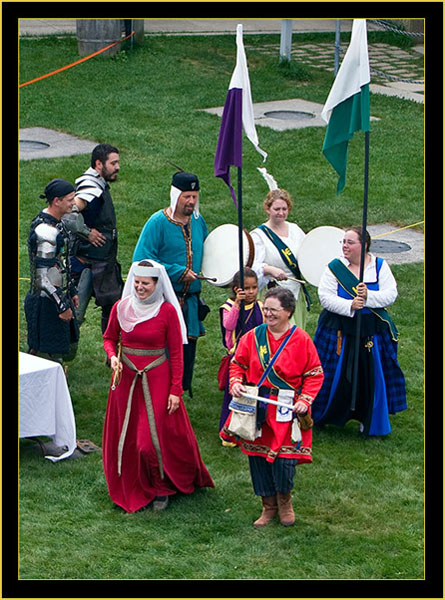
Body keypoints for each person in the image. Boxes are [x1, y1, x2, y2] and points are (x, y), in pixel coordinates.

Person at [102, 259, 214, 514]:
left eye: (146, 284)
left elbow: (176, 353)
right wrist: (113, 357)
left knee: (149, 441)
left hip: (156, 378)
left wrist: (176, 390)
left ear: (157, 284)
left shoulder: (167, 312)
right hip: (126, 378)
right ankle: (134, 483)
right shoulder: (121, 307)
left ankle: (161, 486)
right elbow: (110, 338)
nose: (140, 288)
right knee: (129, 437)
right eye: (137, 283)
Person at [220, 287, 324, 528]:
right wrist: (235, 382)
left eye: (273, 310)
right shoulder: (253, 337)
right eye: (265, 309)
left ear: (288, 312)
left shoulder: (302, 340)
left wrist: (304, 400)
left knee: (285, 461)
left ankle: (285, 502)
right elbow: (237, 364)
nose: (268, 314)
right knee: (257, 458)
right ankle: (268, 506)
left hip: (287, 409)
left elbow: (314, 374)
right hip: (258, 408)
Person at [312, 226, 407, 437]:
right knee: (332, 372)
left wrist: (367, 299)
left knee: (371, 375)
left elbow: (390, 295)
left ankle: (370, 418)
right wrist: (350, 305)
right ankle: (323, 414)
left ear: (363, 245)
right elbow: (325, 298)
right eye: (343, 242)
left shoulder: (380, 267)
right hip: (338, 330)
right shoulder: (335, 268)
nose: (345, 246)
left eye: (350, 242)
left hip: (371, 330)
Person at [132, 171, 208, 397]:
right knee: (164, 354)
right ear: (176, 196)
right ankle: (157, 396)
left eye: (194, 196)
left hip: (190, 305)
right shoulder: (157, 223)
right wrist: (178, 272)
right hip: (165, 301)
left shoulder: (198, 222)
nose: (191, 201)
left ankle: (178, 399)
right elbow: (142, 260)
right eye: (187, 197)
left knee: (185, 355)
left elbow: (210, 251)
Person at [62, 143, 123, 334]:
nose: (118, 167)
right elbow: (68, 214)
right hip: (86, 265)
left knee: (114, 310)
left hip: (104, 263)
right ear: (99, 164)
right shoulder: (91, 187)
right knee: (74, 314)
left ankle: (112, 355)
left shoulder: (99, 184)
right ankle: (57, 354)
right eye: (113, 163)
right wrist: (87, 233)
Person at [24, 179, 79, 363]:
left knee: (60, 351)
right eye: (70, 199)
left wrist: (71, 290)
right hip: (46, 302)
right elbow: (42, 278)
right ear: (57, 201)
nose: (73, 202)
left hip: (56, 297)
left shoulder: (57, 223)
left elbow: (60, 263)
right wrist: (61, 306)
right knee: (46, 358)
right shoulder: (45, 232)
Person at [250, 188, 310, 330]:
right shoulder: (259, 236)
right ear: (267, 209)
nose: (281, 213)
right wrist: (270, 270)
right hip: (273, 293)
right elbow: (252, 267)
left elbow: (306, 254)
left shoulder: (295, 230)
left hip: (295, 292)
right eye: (276, 209)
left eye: (284, 209)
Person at [218, 268, 264, 438]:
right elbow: (229, 325)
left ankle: (251, 428)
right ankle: (229, 431)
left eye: (254, 287)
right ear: (237, 289)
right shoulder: (228, 306)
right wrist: (238, 304)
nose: (251, 292)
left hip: (257, 356)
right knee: (234, 395)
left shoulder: (260, 305)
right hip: (237, 356)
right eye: (247, 288)